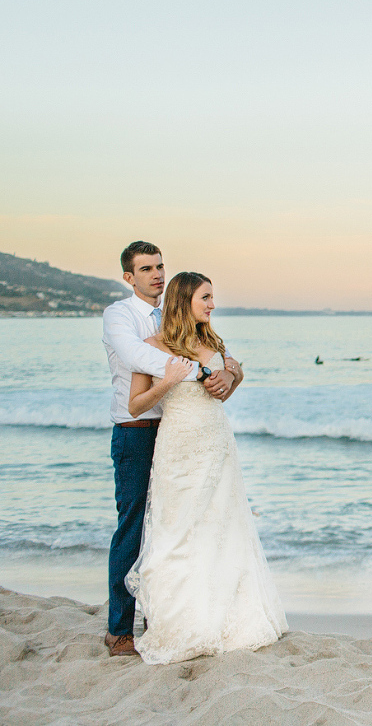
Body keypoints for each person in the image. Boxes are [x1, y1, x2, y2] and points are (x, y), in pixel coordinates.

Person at [124, 270, 287, 665]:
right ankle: (179, 620)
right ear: (185, 301)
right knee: (177, 530)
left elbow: (227, 389)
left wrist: (231, 376)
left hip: (216, 445)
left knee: (221, 526)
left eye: (212, 297)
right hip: (179, 447)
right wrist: (170, 380)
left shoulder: (211, 340)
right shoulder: (151, 345)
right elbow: (135, 405)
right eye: (206, 298)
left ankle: (225, 615)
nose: (213, 305)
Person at [101, 241, 242, 657]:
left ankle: (169, 615)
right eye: (145, 269)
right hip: (136, 429)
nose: (156, 274)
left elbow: (228, 357)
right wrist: (200, 371)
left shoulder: (179, 315)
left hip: (179, 431)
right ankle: (120, 629)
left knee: (174, 525)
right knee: (133, 525)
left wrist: (229, 375)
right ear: (129, 277)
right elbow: (136, 356)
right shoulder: (121, 316)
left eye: (160, 266)